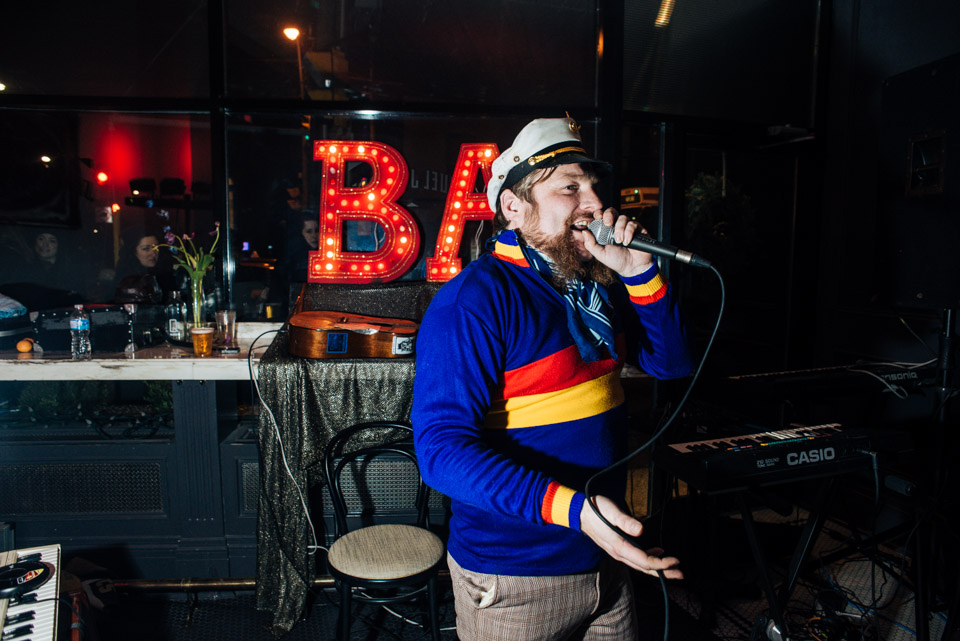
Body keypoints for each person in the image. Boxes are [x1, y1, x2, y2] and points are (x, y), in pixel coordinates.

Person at [411, 117, 695, 640]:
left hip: (607, 554)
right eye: (570, 188)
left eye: (594, 187)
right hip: (516, 576)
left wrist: (640, 274)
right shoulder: (473, 302)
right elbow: (440, 453)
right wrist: (577, 511)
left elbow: (672, 364)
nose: (595, 203)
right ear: (514, 207)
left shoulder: (591, 288)